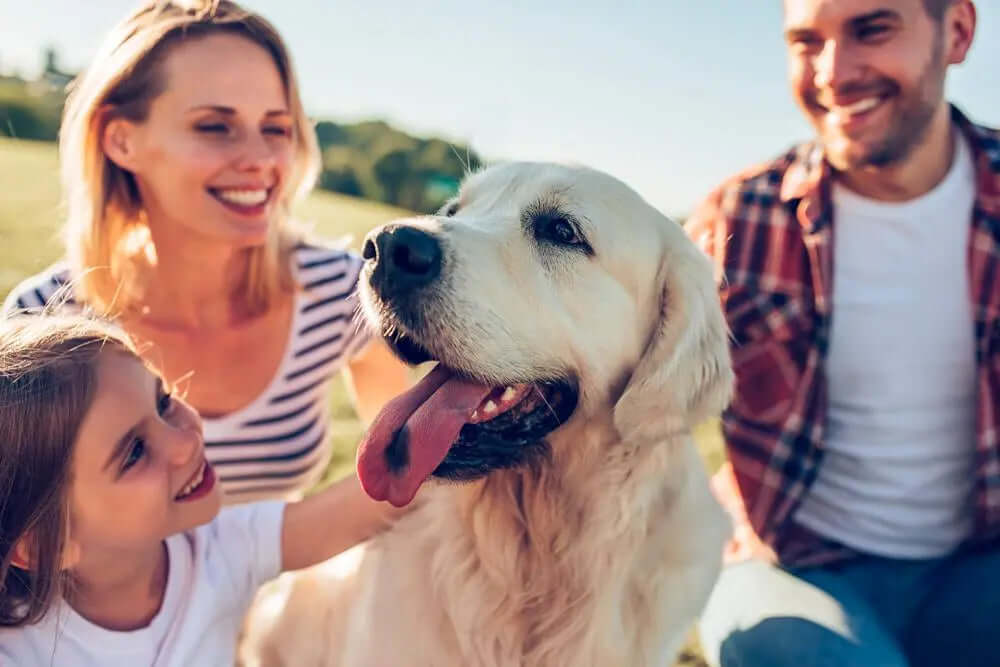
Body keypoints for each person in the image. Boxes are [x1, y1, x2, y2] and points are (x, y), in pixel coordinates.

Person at [685, 1, 999, 665]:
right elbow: (619, 397)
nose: (834, 71)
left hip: (977, 567)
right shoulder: (739, 219)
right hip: (789, 567)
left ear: (959, 32)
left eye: (872, 28)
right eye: (807, 41)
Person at [2, 0, 412, 503]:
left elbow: (406, 478)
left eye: (276, 129)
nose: (261, 160)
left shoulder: (341, 292)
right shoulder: (41, 321)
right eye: (215, 126)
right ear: (120, 140)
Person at [0, 314, 405, 665]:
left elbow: (362, 506)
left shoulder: (218, 551)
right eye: (134, 453)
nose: (187, 442)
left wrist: (443, 423)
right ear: (43, 547)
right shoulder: (17, 649)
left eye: (162, 402)